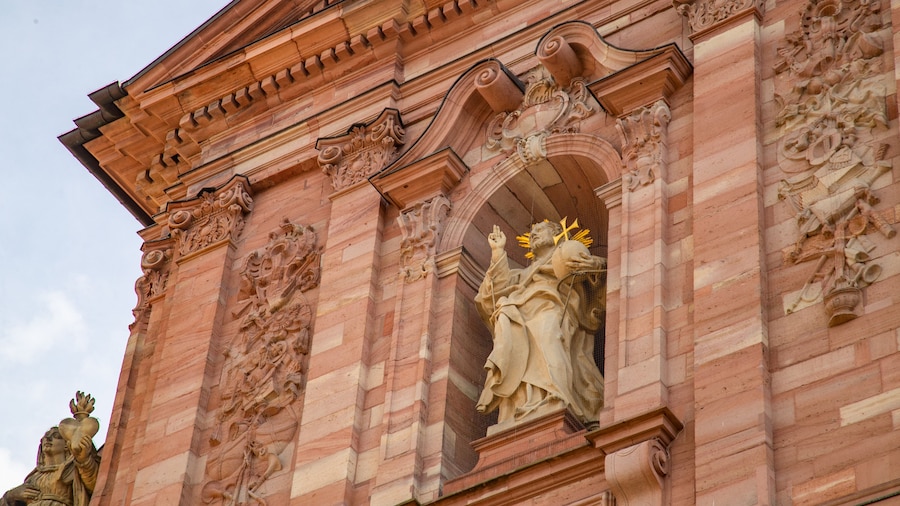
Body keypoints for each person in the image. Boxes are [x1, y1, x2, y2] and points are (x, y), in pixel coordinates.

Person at [475, 221, 606, 430]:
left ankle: (556, 395)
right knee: (518, 351)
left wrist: (594, 265)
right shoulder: (522, 274)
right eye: (531, 232)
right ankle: (527, 404)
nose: (533, 235)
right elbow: (490, 295)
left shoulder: (565, 255)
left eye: (539, 231)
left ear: (556, 234)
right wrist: (498, 253)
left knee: (549, 339)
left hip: (551, 309)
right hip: (520, 317)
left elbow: (601, 272)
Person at [1, 414, 100, 506]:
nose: (48, 439)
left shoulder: (71, 468)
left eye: (56, 436)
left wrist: (83, 459)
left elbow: (95, 485)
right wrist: (11, 495)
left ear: (67, 445)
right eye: (45, 436)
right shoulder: (34, 477)